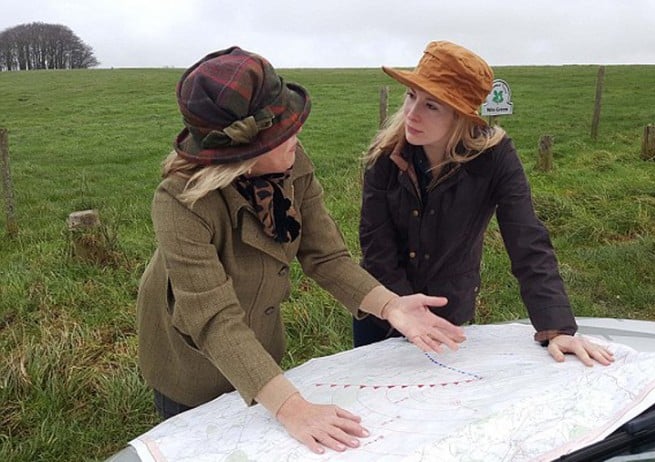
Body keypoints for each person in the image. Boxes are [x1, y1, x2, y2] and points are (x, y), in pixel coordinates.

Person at [136, 46, 466, 455]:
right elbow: (214, 319)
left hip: (259, 340)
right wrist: (293, 408)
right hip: (191, 360)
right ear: (243, 153)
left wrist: (391, 306)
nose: (297, 137)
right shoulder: (179, 202)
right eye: (283, 133)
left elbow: (325, 256)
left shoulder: (293, 164)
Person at [355, 40, 614, 367]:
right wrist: (403, 311)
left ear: (461, 118)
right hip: (383, 313)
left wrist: (558, 326)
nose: (411, 114)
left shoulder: (495, 159)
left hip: (449, 316)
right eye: (411, 96)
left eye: (431, 105)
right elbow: (376, 246)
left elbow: (527, 240)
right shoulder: (386, 157)